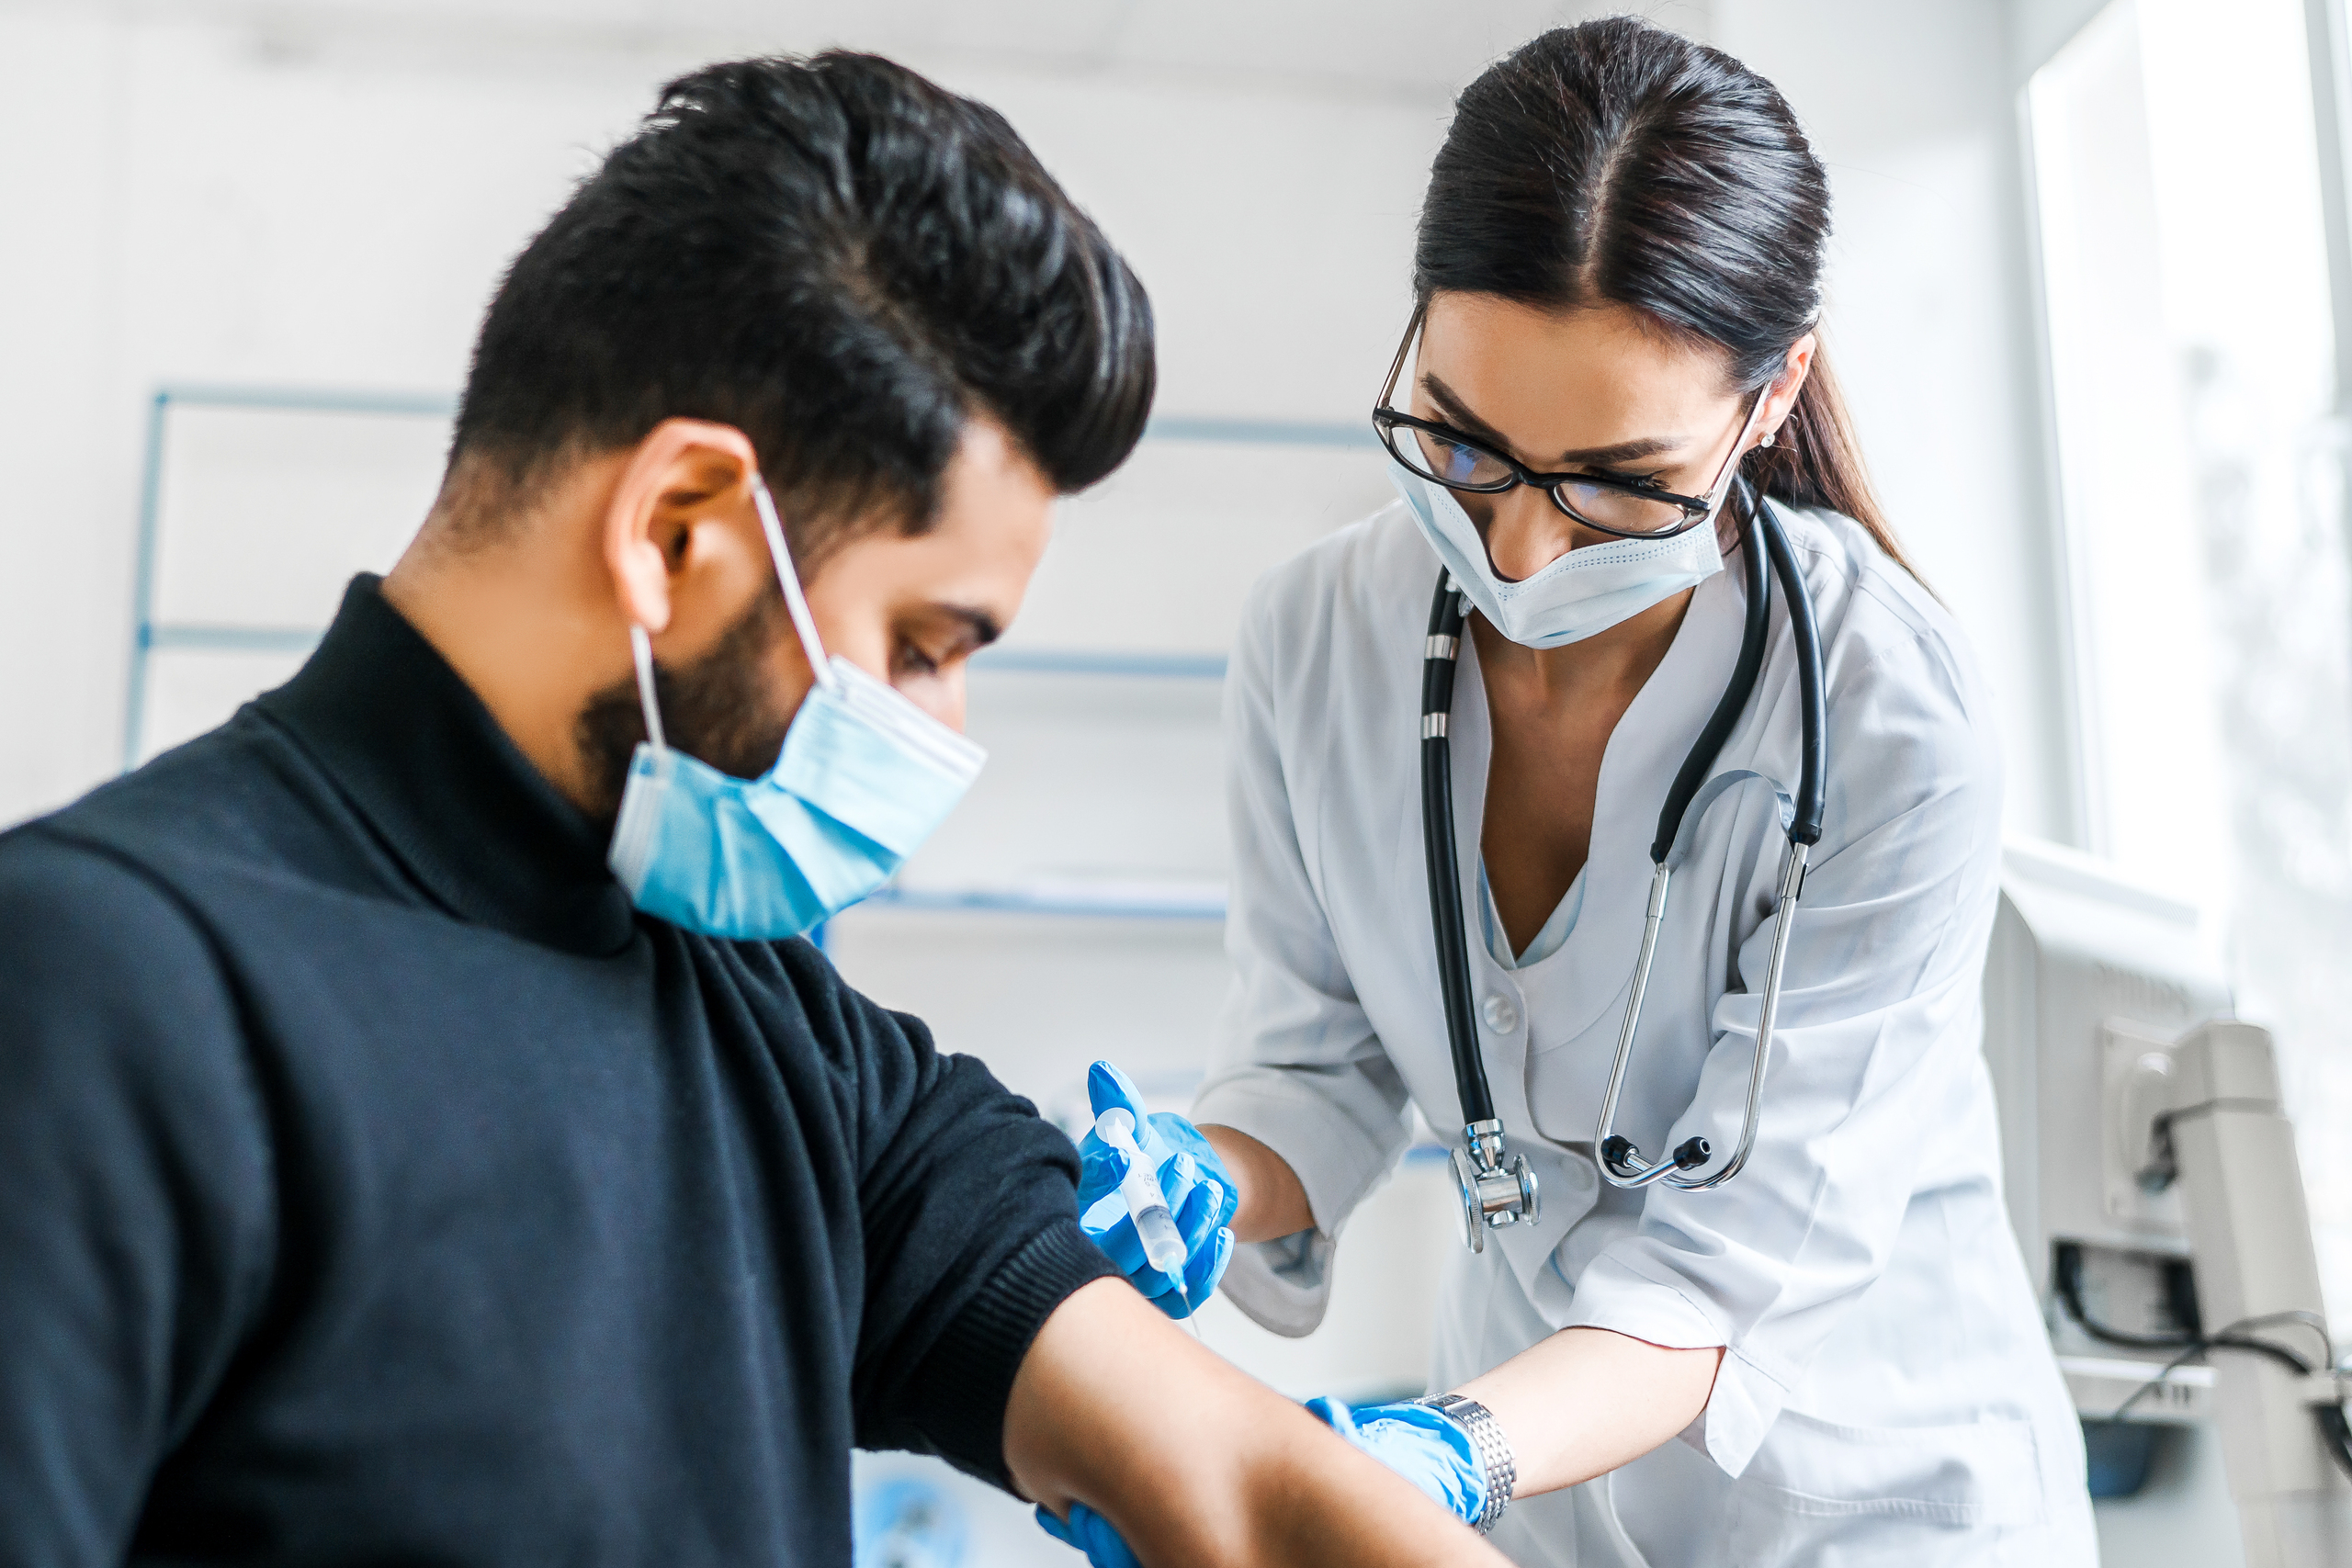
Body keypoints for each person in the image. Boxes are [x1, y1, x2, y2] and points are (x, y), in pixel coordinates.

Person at [0, 52, 1510, 1568]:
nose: (945, 727)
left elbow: (1248, 1494)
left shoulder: (778, 1028)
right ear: (676, 529)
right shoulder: (99, 992)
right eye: (923, 645)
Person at [1073, 19, 2098, 1568]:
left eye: (1616, 481)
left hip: (1871, 1504)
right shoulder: (1315, 636)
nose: (1517, 553)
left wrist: (1438, 1458)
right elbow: (1317, 1070)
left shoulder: (1889, 718)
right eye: (1465, 446)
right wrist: (1200, 1175)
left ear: (1770, 400)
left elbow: (1727, 1280)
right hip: (1530, 1501)